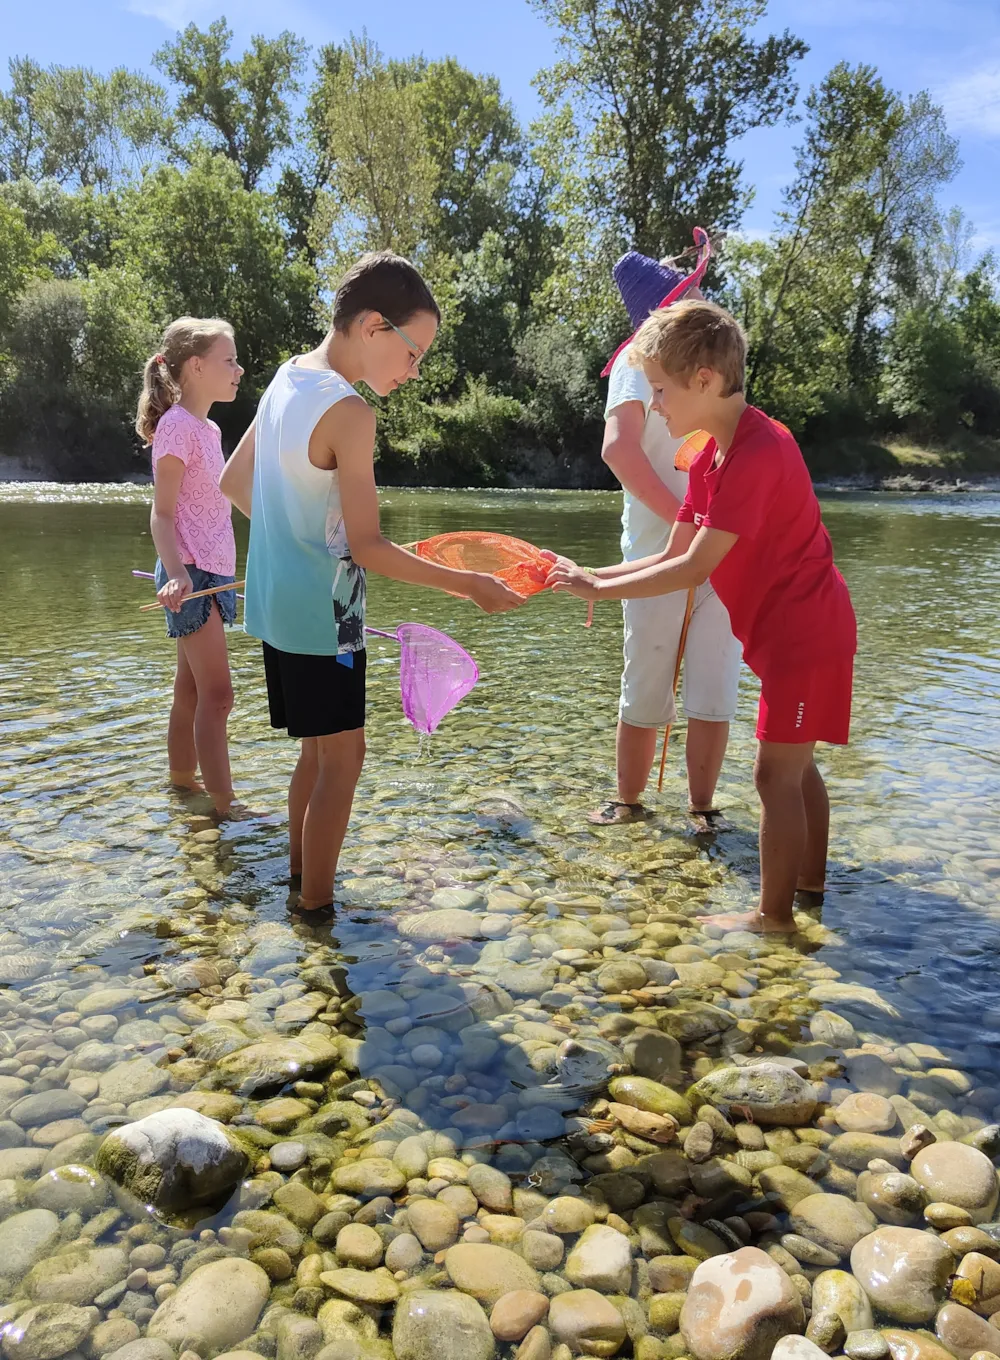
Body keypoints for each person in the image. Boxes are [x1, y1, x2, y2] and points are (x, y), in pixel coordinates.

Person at [220, 251, 523, 913]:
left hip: (274, 608)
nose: (413, 373)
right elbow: (367, 546)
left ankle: (300, 881)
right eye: (413, 353)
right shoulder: (350, 413)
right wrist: (467, 583)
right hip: (327, 619)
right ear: (374, 327)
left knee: (317, 756)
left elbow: (232, 484)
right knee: (344, 764)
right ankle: (316, 914)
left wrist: (294, 545)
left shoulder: (284, 379)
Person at [548, 299, 857, 932]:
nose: (654, 404)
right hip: (785, 634)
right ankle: (810, 887)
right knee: (799, 770)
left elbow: (694, 569)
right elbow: (670, 550)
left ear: (705, 381)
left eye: (660, 390)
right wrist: (592, 578)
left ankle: (773, 919)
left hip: (804, 633)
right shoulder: (705, 454)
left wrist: (600, 594)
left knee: (776, 774)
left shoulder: (759, 453)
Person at [592, 250, 741, 827]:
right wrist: (689, 516)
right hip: (660, 545)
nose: (700, 301)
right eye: (691, 293)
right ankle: (629, 803)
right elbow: (618, 450)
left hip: (721, 540)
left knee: (715, 675)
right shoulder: (638, 359)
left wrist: (713, 523)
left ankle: (702, 808)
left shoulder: (708, 367)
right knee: (648, 673)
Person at [136, 317, 245, 816]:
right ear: (197, 366)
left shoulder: (212, 427)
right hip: (192, 575)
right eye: (229, 360)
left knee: (191, 691)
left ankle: (183, 786)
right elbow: (161, 515)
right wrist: (176, 573)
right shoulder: (176, 426)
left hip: (216, 573)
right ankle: (224, 806)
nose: (239, 369)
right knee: (218, 697)